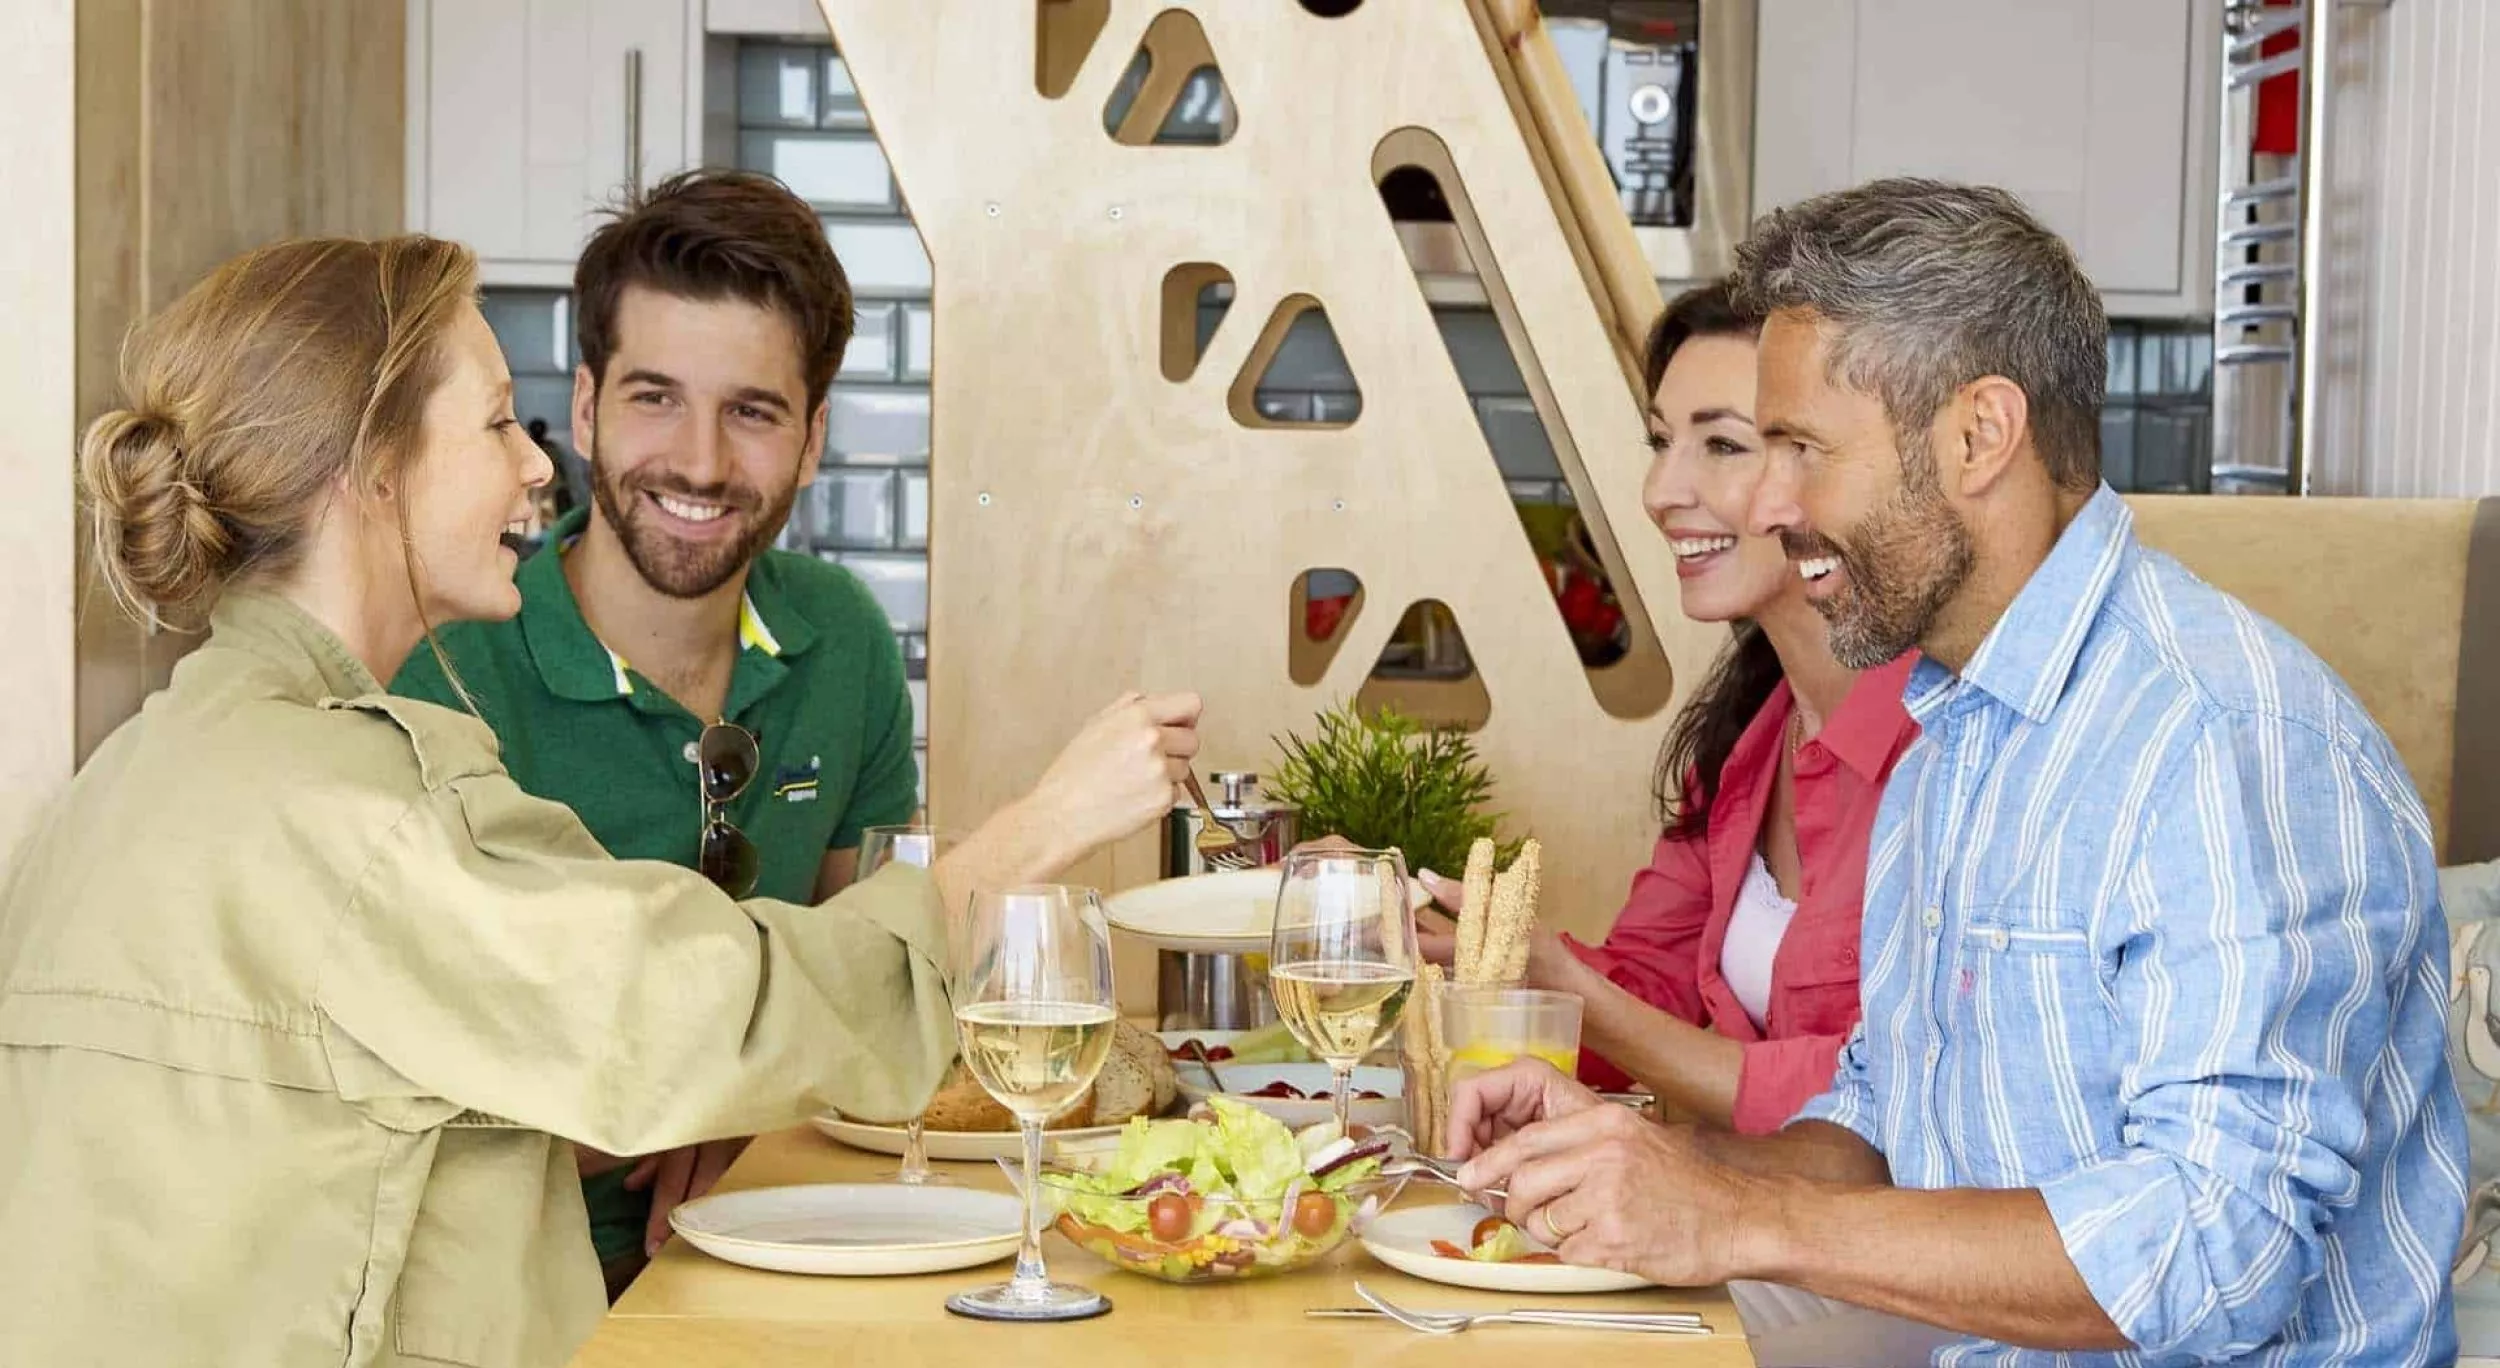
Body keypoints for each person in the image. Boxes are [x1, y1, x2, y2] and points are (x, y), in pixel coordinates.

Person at [0, 234, 1192, 1368]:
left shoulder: (135, 776)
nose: (534, 465)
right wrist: (1038, 834)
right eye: (491, 422)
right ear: (372, 473)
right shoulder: (365, 813)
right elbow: (703, 1012)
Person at [1447, 179, 2468, 1366]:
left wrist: (1736, 1215)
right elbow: (1884, 1130)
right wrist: (1657, 1167)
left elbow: (2215, 1248)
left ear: (1979, 436)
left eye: (1801, 451)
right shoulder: (1956, 725)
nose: (1769, 508)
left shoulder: (2221, 738)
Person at [391, 169, 1200, 1288]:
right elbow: (453, 1089)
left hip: (790, 1231)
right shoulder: (443, 674)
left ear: (813, 438)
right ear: (583, 409)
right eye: (654, 396)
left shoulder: (841, 637)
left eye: (753, 412)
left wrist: (743, 1105)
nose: (702, 462)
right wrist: (720, 1087)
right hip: (521, 1290)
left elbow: (880, 986)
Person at [1417, 281, 1916, 1134]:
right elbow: (1650, 992)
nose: (1659, 490)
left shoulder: (1942, 748)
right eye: (1660, 440)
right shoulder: (1746, 742)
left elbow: (1901, 1100)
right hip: (1741, 1235)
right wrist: (1456, 944)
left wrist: (1564, 988)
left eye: (1722, 444)